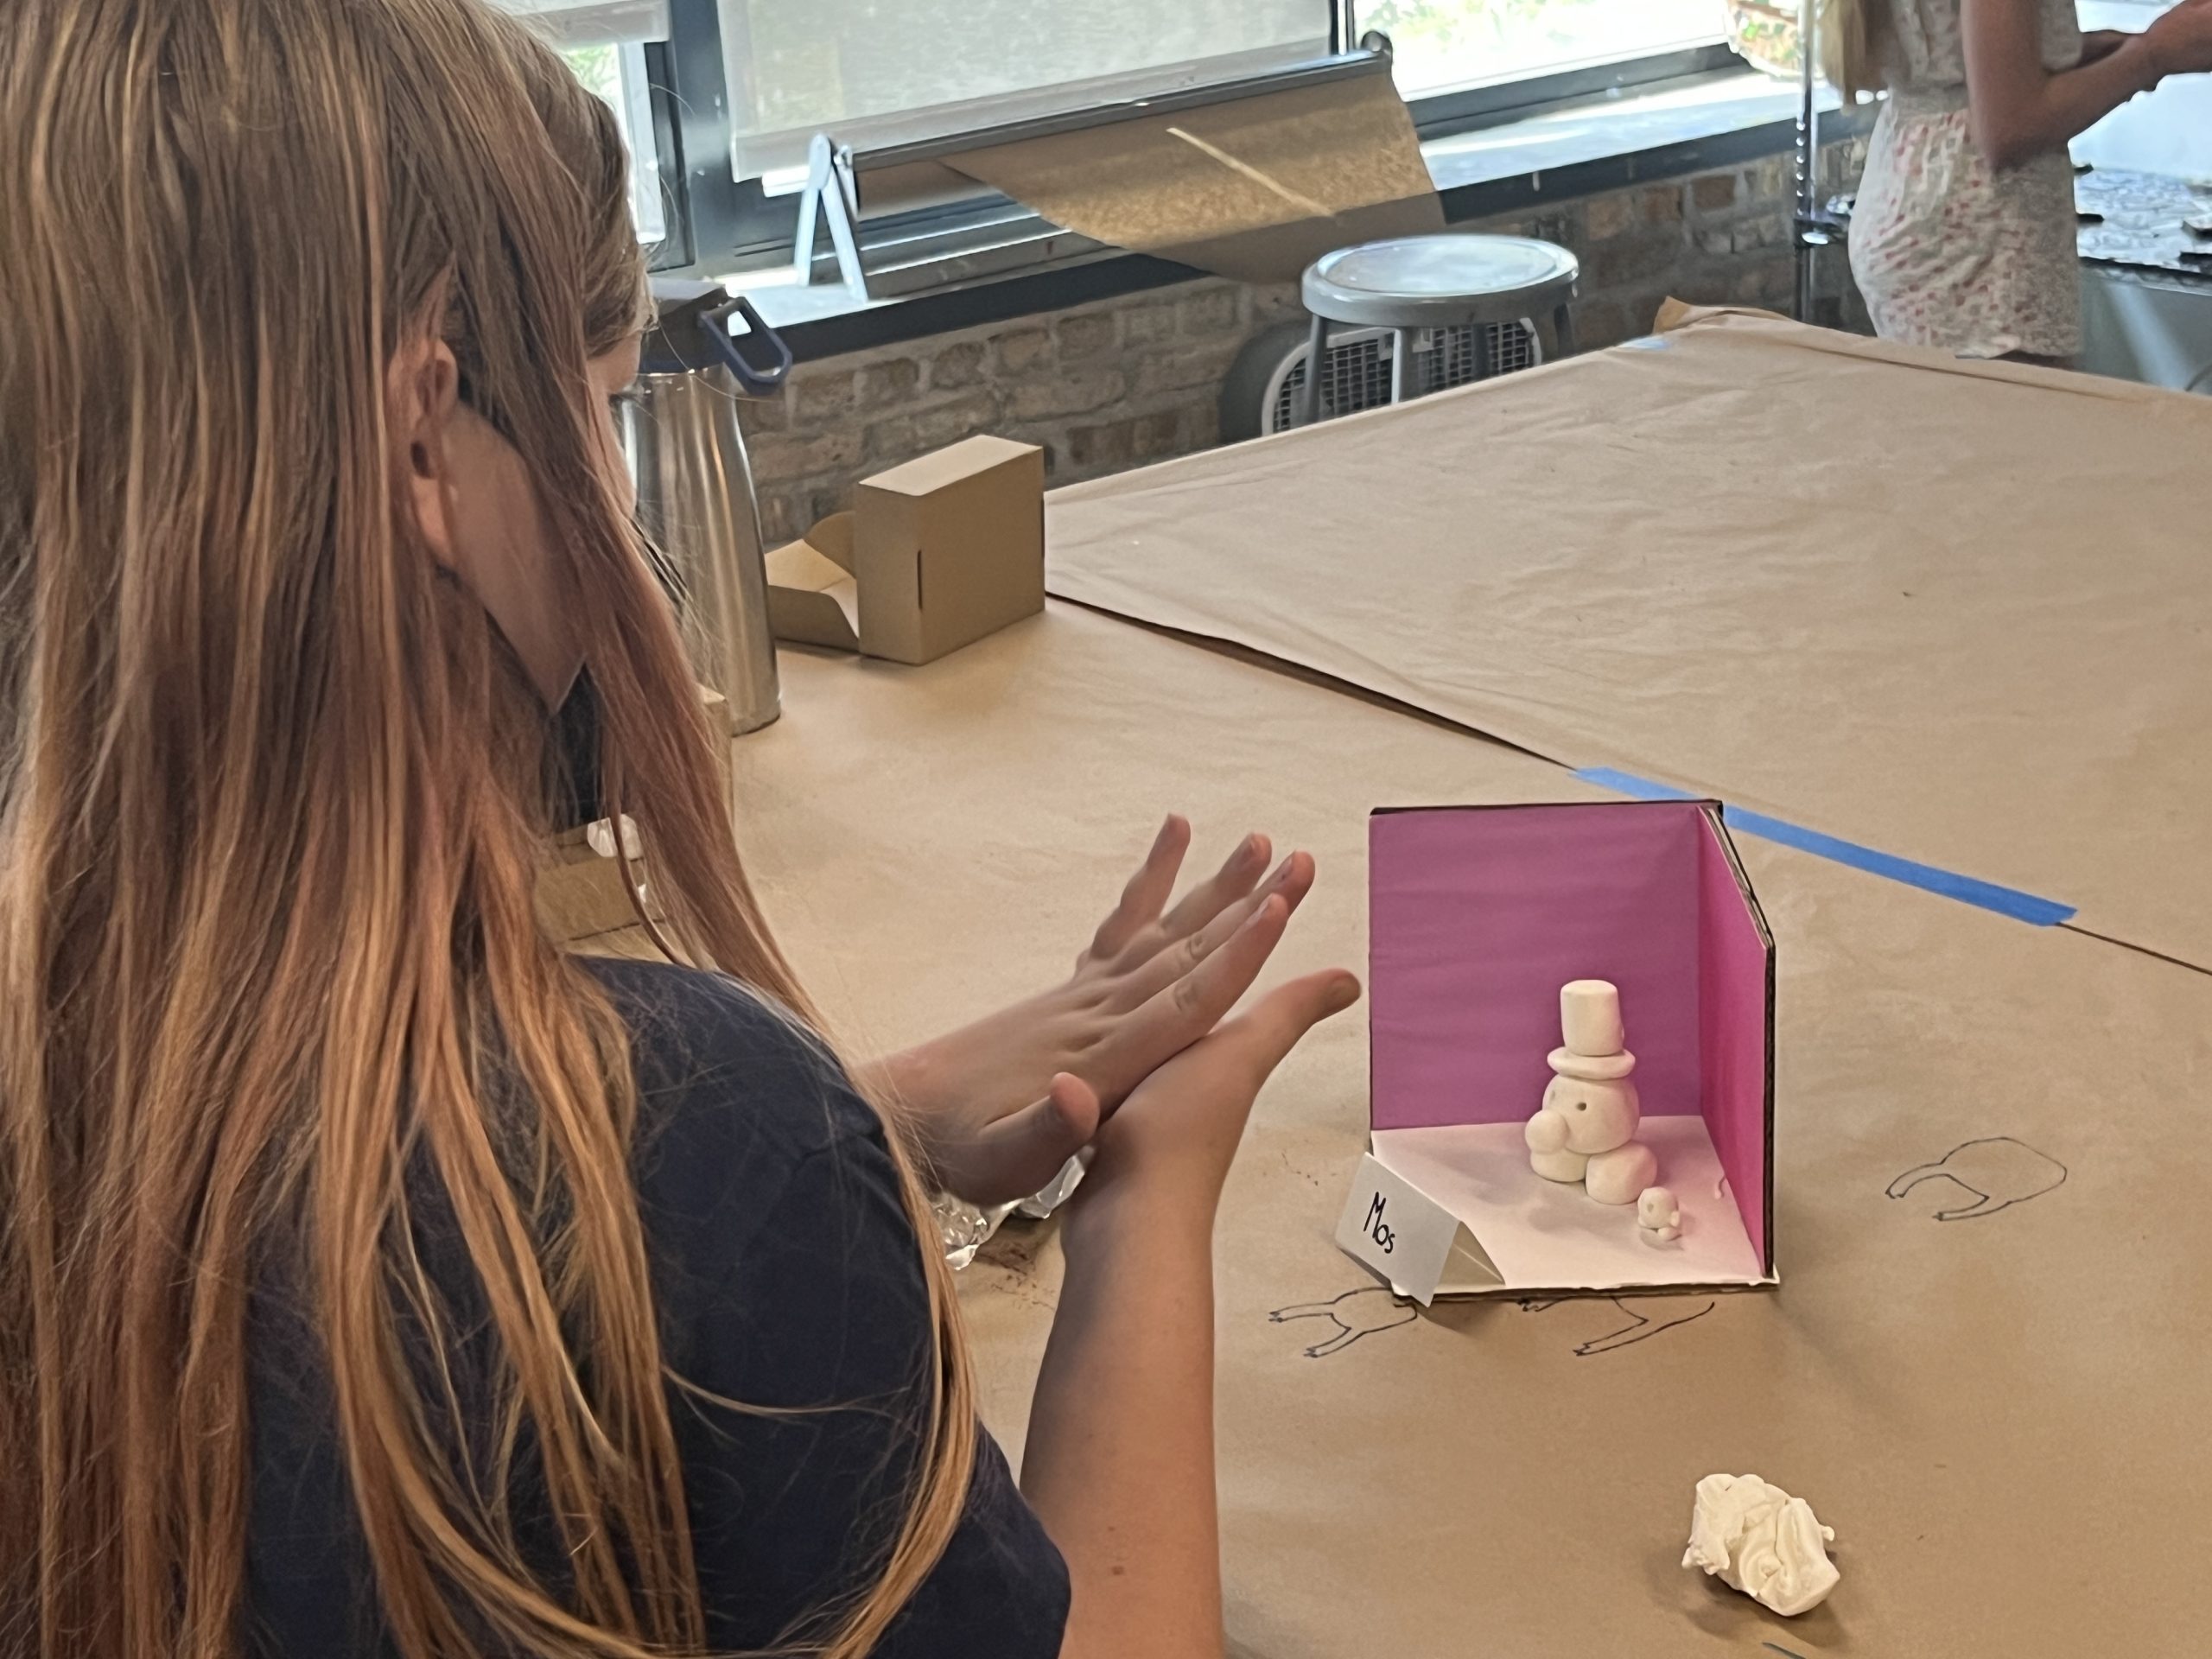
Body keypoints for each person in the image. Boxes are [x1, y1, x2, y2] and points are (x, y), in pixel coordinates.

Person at [0, 3, 1361, 1657]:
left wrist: (887, 1110)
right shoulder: (707, 1158)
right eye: (604, 404)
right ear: (427, 439)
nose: (618, 501)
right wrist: (1149, 1197)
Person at [1825, 0, 2212, 361]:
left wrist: (2109, 52)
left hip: (1913, 197)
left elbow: (1966, 60)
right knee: (2010, 410)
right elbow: (2011, 128)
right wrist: (2151, 55)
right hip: (1979, 239)